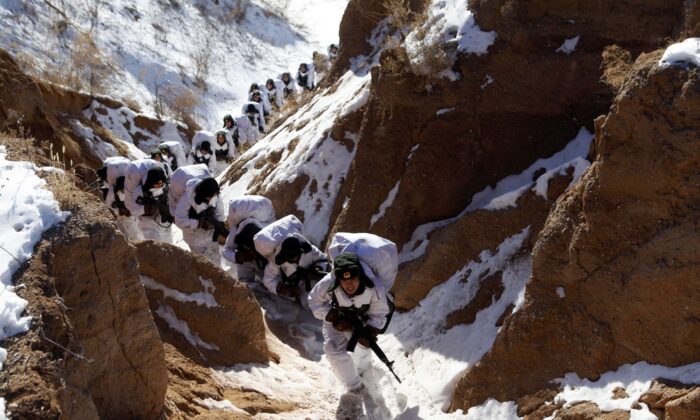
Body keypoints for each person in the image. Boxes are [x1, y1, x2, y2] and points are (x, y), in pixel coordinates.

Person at [308, 232, 398, 393]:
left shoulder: (374, 287)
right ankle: (354, 386)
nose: (348, 285)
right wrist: (333, 317)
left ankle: (364, 370)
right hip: (338, 315)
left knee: (362, 348)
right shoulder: (331, 281)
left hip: (364, 317)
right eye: (344, 281)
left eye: (352, 280)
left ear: (360, 276)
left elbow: (379, 313)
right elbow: (314, 301)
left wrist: (370, 330)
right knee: (332, 348)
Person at [253, 215, 329, 303]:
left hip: (314, 280)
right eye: (292, 258)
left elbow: (323, 259)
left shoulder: (308, 249)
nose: (296, 259)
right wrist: (284, 289)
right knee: (309, 301)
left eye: (297, 256)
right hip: (296, 287)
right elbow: (268, 279)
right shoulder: (276, 262)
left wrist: (318, 269)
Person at [173, 177, 228, 264]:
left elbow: (219, 213)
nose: (215, 197)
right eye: (211, 196)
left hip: (211, 236)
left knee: (216, 262)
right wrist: (199, 223)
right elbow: (179, 220)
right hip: (194, 239)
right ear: (205, 195)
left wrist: (217, 226)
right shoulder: (188, 198)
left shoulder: (215, 194)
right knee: (203, 265)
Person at [222, 195, 276, 282]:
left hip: (265, 263)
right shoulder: (237, 230)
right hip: (246, 261)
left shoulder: (268, 234)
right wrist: (238, 256)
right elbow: (226, 250)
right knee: (244, 283)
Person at [124, 158, 174, 243]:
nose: (159, 186)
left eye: (161, 184)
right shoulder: (139, 191)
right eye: (156, 184)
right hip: (146, 218)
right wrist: (145, 208)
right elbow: (133, 210)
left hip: (162, 215)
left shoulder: (166, 187)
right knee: (154, 240)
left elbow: (173, 199)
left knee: (167, 238)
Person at [97, 156, 142, 241]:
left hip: (129, 215)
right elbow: (108, 209)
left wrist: (129, 211)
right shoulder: (111, 192)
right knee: (121, 234)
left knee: (135, 235)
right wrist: (119, 211)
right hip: (117, 215)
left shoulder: (133, 188)